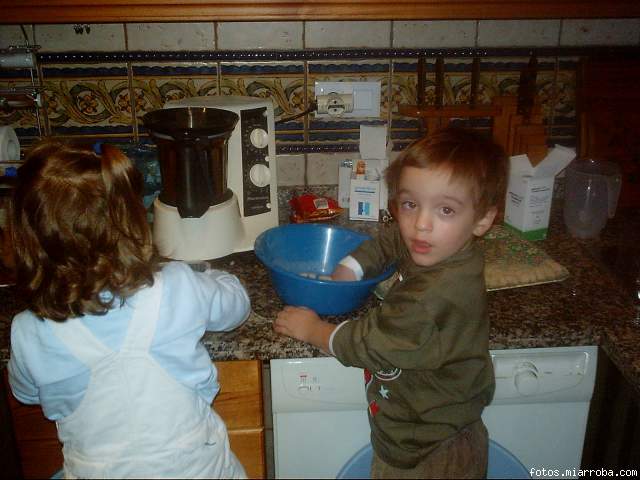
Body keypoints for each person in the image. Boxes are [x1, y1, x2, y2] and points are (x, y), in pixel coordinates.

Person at [274, 126, 509, 479]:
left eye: (446, 210)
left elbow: (367, 344)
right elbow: (393, 240)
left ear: (483, 219)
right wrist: (350, 268)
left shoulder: (431, 299)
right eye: (410, 204)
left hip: (427, 456)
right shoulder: (443, 247)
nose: (420, 225)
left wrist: (312, 329)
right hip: (428, 429)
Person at [7, 139, 250, 479]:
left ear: (29, 239)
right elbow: (237, 306)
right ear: (134, 217)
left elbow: (26, 393)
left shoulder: (28, 330)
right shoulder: (177, 284)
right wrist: (212, 274)